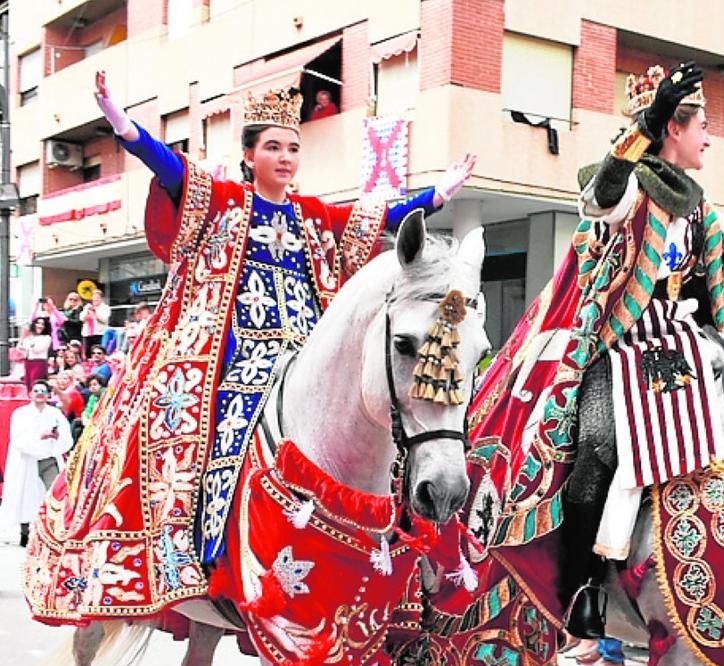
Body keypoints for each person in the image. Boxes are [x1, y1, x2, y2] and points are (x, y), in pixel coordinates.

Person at [22, 71, 476, 621]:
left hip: (303, 349)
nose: (285, 158)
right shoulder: (226, 200)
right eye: (273, 147)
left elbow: (382, 217)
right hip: (234, 356)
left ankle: (407, 557)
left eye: (292, 149)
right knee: (215, 430)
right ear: (249, 154)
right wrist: (123, 127)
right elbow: (170, 168)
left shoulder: (312, 215)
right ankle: (207, 553)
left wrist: (440, 193)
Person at [562, 62, 724, 636]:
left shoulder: (698, 206)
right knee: (598, 442)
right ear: (674, 128)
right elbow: (600, 196)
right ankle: (582, 585)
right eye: (701, 125)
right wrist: (643, 127)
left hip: (684, 344)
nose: (709, 137)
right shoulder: (630, 190)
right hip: (619, 345)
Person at [0, 382, 73, 547]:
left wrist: (56, 437)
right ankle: (24, 532)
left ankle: (55, 531)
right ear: (30, 394)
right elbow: (18, 438)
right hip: (27, 461)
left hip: (48, 459)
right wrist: (40, 436)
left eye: (44, 391)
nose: (40, 394)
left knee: (55, 493)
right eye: (37, 391)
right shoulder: (20, 414)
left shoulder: (55, 414)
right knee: (24, 495)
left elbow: (66, 437)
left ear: (48, 395)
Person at [17, 315, 54, 392]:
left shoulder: (46, 338)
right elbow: (20, 347)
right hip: (28, 362)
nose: (40, 326)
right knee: (28, 384)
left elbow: (37, 349)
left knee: (36, 384)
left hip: (39, 363)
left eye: (42, 324)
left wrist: (29, 343)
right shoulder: (29, 337)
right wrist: (23, 339)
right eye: (38, 323)